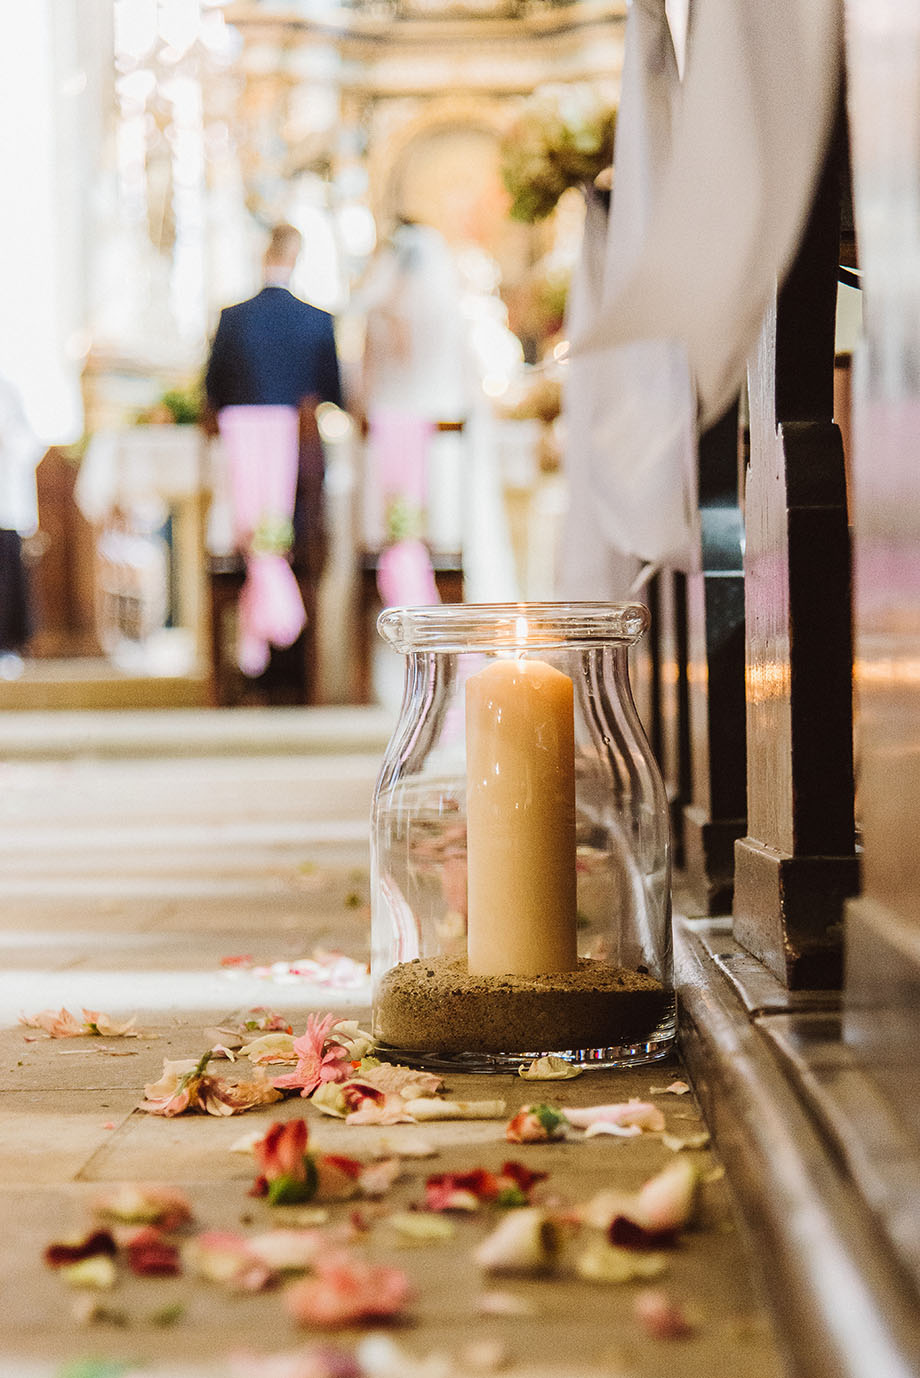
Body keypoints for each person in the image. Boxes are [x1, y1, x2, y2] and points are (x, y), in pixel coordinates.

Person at [203, 223, 343, 699]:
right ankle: (296, 677)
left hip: (236, 512)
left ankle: (251, 669)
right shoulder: (317, 321)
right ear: (297, 258)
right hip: (297, 512)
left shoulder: (232, 319)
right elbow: (335, 397)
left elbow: (212, 396)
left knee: (244, 528)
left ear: (264, 256)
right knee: (303, 539)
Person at [0, 374, 44, 677]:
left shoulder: (6, 390)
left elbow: (27, 444)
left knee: (5, 579)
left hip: (5, 503)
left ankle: (6, 646)